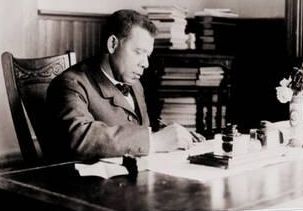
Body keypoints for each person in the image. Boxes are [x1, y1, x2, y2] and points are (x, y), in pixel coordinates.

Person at [43, 9, 202, 161]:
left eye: (147, 55)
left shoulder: (135, 84)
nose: (145, 64)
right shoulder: (71, 83)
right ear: (112, 44)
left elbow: (138, 125)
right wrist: (155, 141)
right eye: (138, 52)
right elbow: (78, 137)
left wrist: (175, 135)